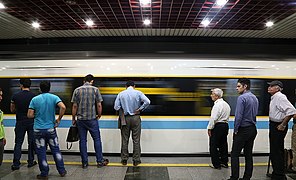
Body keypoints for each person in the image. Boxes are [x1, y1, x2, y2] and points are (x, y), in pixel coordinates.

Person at [28, 81, 67, 179]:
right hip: (50, 129)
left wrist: (37, 115)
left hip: (38, 130)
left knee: (41, 152)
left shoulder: (34, 99)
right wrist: (58, 119)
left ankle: (44, 173)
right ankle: (61, 171)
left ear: (40, 89)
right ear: (49, 88)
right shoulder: (54, 97)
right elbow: (63, 107)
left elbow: (29, 115)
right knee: (56, 150)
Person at [71, 74, 109, 169]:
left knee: (83, 140)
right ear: (92, 81)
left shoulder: (77, 90)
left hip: (81, 120)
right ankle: (99, 161)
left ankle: (84, 163)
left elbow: (75, 106)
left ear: (84, 81)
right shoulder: (95, 90)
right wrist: (99, 115)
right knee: (97, 139)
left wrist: (73, 118)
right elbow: (99, 105)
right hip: (92, 119)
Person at [114, 80, 150, 166]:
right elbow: (148, 102)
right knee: (136, 140)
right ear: (134, 86)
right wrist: (140, 109)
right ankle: (136, 160)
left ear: (126, 86)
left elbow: (116, 107)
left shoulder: (121, 94)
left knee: (124, 139)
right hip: (135, 118)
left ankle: (124, 160)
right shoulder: (138, 93)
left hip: (125, 119)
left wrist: (123, 107)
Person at [228, 78, 258, 180]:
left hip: (243, 129)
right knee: (248, 154)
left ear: (245, 86)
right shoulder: (254, 97)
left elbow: (239, 116)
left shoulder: (242, 98)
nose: (236, 88)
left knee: (234, 154)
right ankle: (246, 177)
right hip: (252, 129)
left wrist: (235, 130)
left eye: (238, 86)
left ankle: (234, 177)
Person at [268, 80, 296, 180]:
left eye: (272, 86)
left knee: (276, 151)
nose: (269, 87)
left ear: (278, 88)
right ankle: (277, 172)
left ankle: (279, 175)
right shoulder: (275, 97)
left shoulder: (280, 97)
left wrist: (283, 124)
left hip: (278, 126)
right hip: (274, 125)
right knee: (275, 150)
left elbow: (291, 111)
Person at [11, 78, 37, 170]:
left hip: (20, 122)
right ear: (30, 85)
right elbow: (36, 110)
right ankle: (30, 161)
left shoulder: (15, 96)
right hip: (31, 122)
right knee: (31, 143)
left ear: (21, 85)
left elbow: (12, 109)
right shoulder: (34, 96)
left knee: (18, 143)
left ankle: (16, 164)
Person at [207, 88, 231, 169]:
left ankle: (216, 164)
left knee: (213, 145)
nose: (211, 95)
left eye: (212, 94)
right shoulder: (226, 104)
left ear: (217, 96)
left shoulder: (217, 105)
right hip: (225, 126)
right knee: (223, 145)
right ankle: (224, 162)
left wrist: (209, 128)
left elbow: (213, 118)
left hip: (218, 126)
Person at [0, 88, 6, 167]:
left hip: (0, 139)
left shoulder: (0, 112)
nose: (1, 98)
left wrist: (4, 136)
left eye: (1, 95)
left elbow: (1, 125)